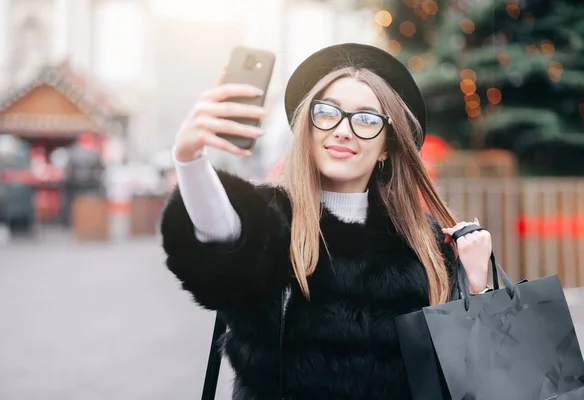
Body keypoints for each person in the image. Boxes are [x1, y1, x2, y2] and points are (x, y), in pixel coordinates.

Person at [161, 43, 493, 400]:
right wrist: (189, 158)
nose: (343, 130)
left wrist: (477, 285)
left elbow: (463, 375)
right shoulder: (269, 220)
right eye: (327, 112)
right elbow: (222, 235)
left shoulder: (423, 243)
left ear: (386, 146)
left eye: (366, 119)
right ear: (309, 127)